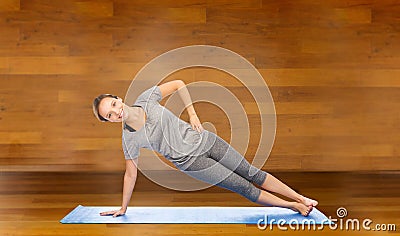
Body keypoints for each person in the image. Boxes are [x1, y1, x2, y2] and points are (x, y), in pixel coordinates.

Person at [92, 80, 318, 218]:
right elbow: (130, 174)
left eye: (113, 105)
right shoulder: (129, 139)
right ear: (109, 121)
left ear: (119, 98)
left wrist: (192, 113)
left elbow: (179, 83)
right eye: (109, 115)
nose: (115, 112)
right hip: (192, 163)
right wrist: (123, 208)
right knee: (244, 187)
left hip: (206, 139)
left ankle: (301, 198)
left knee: (251, 172)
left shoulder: (146, 99)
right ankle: (293, 206)